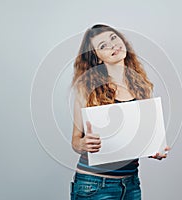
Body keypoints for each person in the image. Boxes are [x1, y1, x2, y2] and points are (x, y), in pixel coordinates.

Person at [70, 24, 170, 200]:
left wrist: (156, 149)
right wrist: (83, 144)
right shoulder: (86, 89)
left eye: (113, 38)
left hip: (131, 184)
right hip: (94, 185)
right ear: (98, 58)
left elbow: (142, 137)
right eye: (103, 46)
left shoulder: (142, 87)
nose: (112, 45)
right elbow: (75, 141)